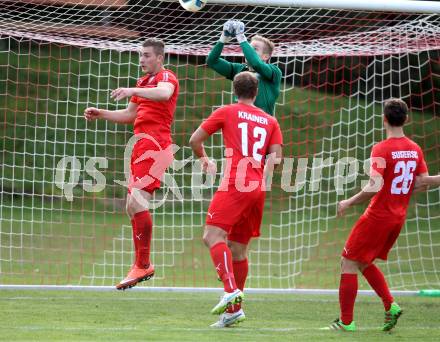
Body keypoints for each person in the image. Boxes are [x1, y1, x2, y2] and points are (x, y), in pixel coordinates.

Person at [84, 38, 179, 290]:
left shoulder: (167, 77)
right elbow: (129, 115)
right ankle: (142, 264)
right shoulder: (142, 82)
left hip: (155, 144)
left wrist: (132, 91)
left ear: (160, 57)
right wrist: (101, 113)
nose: (142, 60)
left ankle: (143, 264)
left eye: (147, 55)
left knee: (136, 202)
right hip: (140, 144)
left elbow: (164, 94)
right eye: (141, 55)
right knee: (132, 205)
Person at [189, 71, 283, 327]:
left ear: (235, 90)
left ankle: (230, 290)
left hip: (235, 183)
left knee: (212, 236)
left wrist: (205, 159)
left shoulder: (227, 111)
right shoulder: (269, 120)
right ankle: (234, 311)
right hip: (257, 187)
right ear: (256, 92)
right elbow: (276, 157)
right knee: (238, 249)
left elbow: (195, 139)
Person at [331, 98, 432, 332]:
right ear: (406, 119)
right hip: (398, 217)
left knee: (347, 262)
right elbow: (423, 183)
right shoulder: (415, 149)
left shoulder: (381, 148)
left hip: (378, 216)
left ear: (384, 119)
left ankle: (346, 322)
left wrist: (349, 201)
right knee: (363, 261)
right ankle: (390, 305)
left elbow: (374, 186)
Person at [207, 20, 282, 115]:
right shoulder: (239, 69)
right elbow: (212, 61)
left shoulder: (274, 71)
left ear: (266, 56)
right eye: (248, 47)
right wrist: (223, 38)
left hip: (262, 126)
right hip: (240, 124)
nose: (248, 51)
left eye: (254, 49)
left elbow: (256, 64)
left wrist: (241, 37)